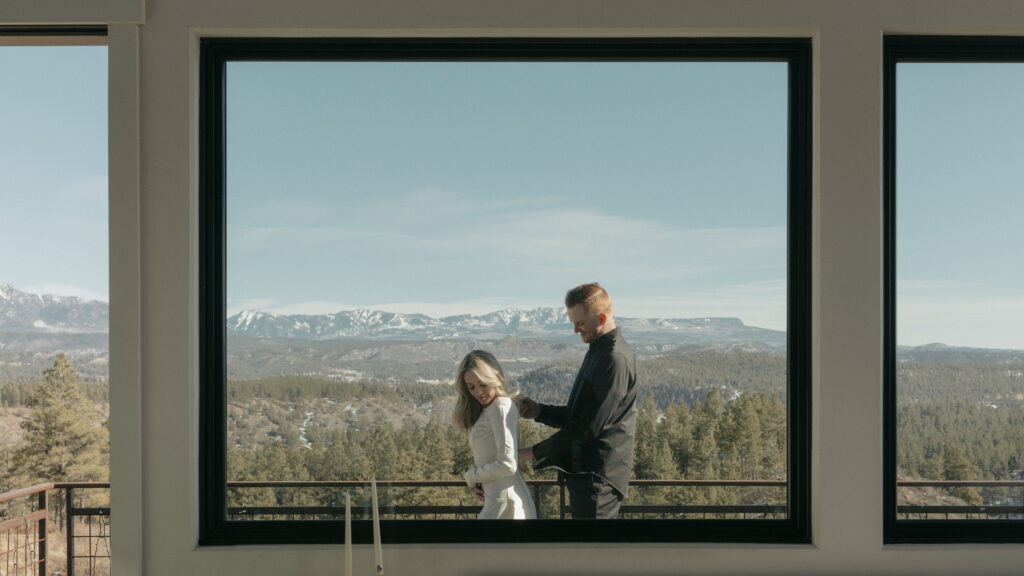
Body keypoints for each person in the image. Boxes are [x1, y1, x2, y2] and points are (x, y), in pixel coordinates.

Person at [517, 282, 638, 519]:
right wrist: (539, 411)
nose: (575, 330)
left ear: (601, 317)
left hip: (597, 480)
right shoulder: (599, 351)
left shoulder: (614, 359)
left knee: (593, 554)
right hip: (589, 477)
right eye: (573, 323)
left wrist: (530, 452)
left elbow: (586, 429)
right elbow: (580, 416)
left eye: (580, 323)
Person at [453, 350, 537, 519]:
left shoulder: (500, 406)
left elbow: (507, 464)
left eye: (483, 384)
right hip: (498, 501)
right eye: (471, 387)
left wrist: (471, 476)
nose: (478, 392)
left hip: (506, 504)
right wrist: (482, 482)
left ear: (496, 377)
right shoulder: (491, 409)